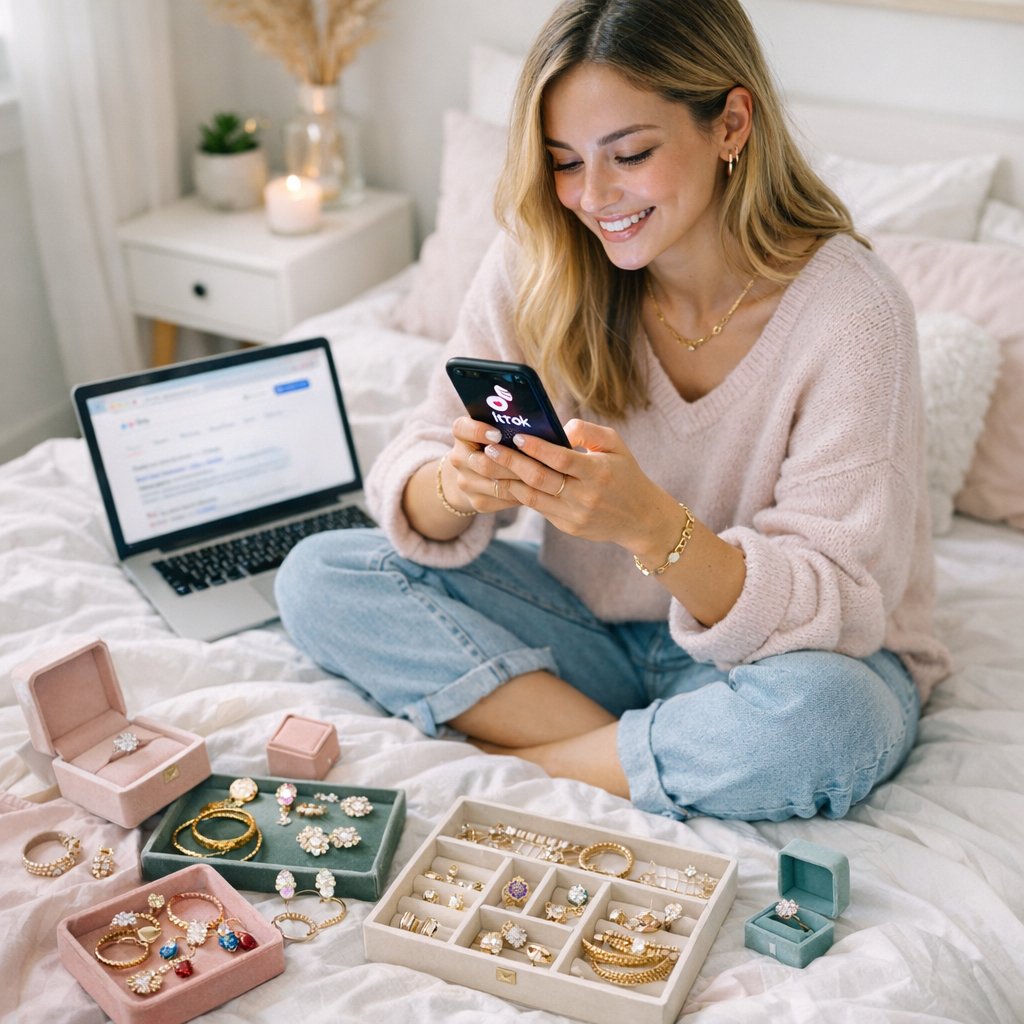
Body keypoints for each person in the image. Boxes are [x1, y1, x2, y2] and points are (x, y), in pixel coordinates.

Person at [275, 0, 950, 822]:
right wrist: (456, 485)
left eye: (628, 154)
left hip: (783, 662)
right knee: (318, 575)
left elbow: (838, 604)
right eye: (563, 162)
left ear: (731, 122)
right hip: (590, 634)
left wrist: (650, 528)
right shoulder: (544, 252)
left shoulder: (852, 312)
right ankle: (638, 755)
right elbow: (418, 461)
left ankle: (540, 763)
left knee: (830, 724)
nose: (592, 197)